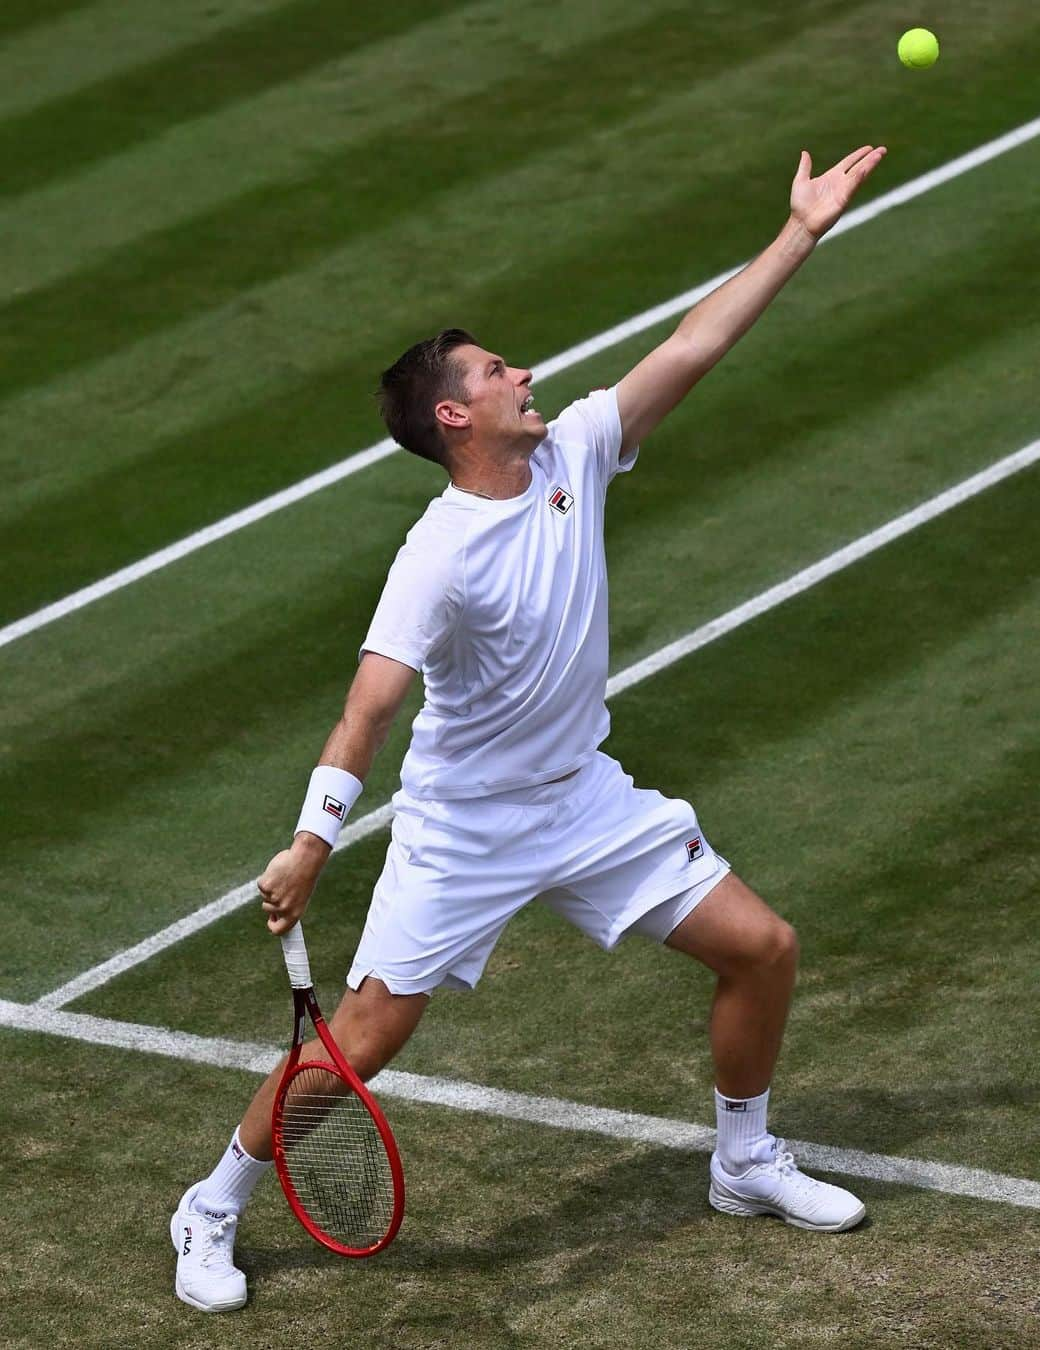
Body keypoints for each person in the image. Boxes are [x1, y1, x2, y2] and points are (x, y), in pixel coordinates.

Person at [171, 143, 886, 1312]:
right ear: (457, 415)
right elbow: (370, 706)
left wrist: (801, 230)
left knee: (762, 948)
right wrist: (314, 840)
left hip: (583, 798)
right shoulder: (436, 558)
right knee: (358, 1042)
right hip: (463, 829)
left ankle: (744, 1160)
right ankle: (209, 1208)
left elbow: (693, 345)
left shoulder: (578, 452)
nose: (528, 373)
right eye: (500, 369)